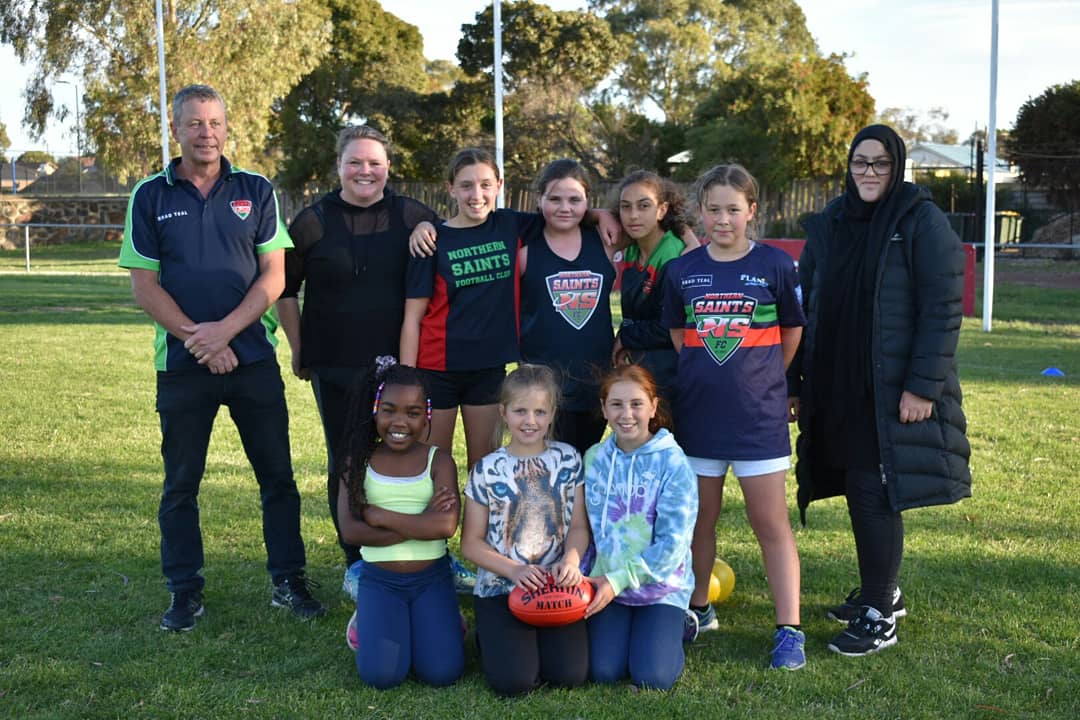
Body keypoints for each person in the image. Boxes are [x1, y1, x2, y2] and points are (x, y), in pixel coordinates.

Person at [118, 84, 324, 632]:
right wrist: (200, 342)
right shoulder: (149, 195)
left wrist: (225, 334)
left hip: (253, 361)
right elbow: (144, 286)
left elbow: (274, 277)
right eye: (194, 123)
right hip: (183, 366)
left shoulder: (255, 189)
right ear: (175, 129)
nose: (205, 133)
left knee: (277, 478)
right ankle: (184, 591)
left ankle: (289, 580)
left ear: (226, 128)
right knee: (180, 485)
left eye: (214, 122)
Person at [788, 124, 971, 657]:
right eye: (860, 162)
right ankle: (882, 591)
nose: (869, 172)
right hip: (836, 382)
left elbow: (941, 310)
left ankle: (878, 613)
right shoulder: (831, 223)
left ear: (897, 166)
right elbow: (802, 307)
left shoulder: (920, 220)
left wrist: (922, 388)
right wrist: (794, 383)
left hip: (890, 388)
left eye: (880, 163)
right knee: (858, 483)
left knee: (874, 489)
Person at [662, 164, 807, 670]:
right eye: (713, 210)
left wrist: (764, 378)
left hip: (757, 419)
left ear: (752, 211)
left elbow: (792, 331)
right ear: (700, 212)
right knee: (698, 519)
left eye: (733, 210)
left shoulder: (775, 266)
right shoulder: (682, 271)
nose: (723, 219)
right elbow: (680, 336)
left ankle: (789, 629)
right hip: (699, 416)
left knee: (770, 522)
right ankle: (698, 608)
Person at [276, 125, 440, 570]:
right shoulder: (312, 221)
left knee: (404, 454)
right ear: (339, 166)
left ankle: (414, 548)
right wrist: (298, 347)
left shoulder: (412, 215)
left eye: (374, 163)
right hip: (335, 363)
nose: (364, 171)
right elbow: (284, 289)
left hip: (399, 366)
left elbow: (458, 233)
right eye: (355, 162)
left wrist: (430, 226)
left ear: (388, 167)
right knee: (347, 459)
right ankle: (356, 559)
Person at [401, 148, 542, 472]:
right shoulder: (432, 240)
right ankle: (439, 511)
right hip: (437, 368)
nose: (476, 195)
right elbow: (412, 317)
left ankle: (477, 511)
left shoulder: (510, 224)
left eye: (485, 184)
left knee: (485, 468)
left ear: (499, 186)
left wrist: (601, 215)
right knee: (434, 466)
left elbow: (565, 215)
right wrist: (407, 378)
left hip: (488, 368)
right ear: (451, 188)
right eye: (466, 185)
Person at [460, 364, 590, 696]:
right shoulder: (486, 469)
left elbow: (578, 527)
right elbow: (471, 543)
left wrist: (571, 561)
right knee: (514, 682)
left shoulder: (569, 459)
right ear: (503, 412)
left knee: (569, 675)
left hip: (555, 586)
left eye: (539, 412)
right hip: (502, 588)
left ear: (552, 414)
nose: (530, 420)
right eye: (520, 411)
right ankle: (490, 633)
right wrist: (514, 571)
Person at [335, 361, 464, 688]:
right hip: (380, 581)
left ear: (427, 416)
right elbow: (351, 531)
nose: (400, 422)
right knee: (381, 676)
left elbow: (446, 526)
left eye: (413, 413)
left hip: (432, 578)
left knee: (442, 673)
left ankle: (446, 620)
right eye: (389, 410)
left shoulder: (439, 461)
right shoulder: (357, 461)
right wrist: (422, 522)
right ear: (375, 410)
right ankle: (366, 619)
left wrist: (381, 517)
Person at [582, 364, 698, 691]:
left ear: (653, 407)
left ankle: (678, 624)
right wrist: (582, 573)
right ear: (604, 408)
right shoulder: (594, 459)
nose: (626, 414)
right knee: (603, 670)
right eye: (616, 404)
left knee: (652, 677)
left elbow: (673, 545)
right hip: (607, 586)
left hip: (660, 587)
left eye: (636, 404)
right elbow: (585, 528)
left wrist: (619, 579)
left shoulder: (674, 463)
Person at [519, 159, 618, 454]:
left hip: (594, 380)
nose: (565, 208)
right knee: (546, 465)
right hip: (543, 384)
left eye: (575, 200)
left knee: (585, 462)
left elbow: (660, 230)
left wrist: (601, 215)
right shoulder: (524, 251)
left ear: (588, 201)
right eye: (555, 199)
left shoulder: (607, 241)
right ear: (539, 199)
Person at [611, 170, 694, 404]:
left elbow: (670, 327)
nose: (633, 215)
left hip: (672, 378)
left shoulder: (674, 255)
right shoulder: (632, 248)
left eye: (644, 206)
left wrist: (625, 337)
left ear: (662, 210)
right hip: (643, 369)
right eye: (625, 207)